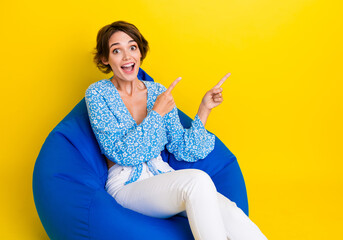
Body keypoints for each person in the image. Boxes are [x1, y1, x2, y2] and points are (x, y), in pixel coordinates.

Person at [85, 20, 268, 240]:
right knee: (197, 181)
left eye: (132, 47)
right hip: (126, 186)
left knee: (229, 211)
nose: (127, 57)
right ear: (105, 58)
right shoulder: (97, 94)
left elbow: (183, 149)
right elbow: (121, 153)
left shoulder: (157, 91)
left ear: (140, 53)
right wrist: (156, 114)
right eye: (117, 50)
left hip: (163, 178)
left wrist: (204, 109)